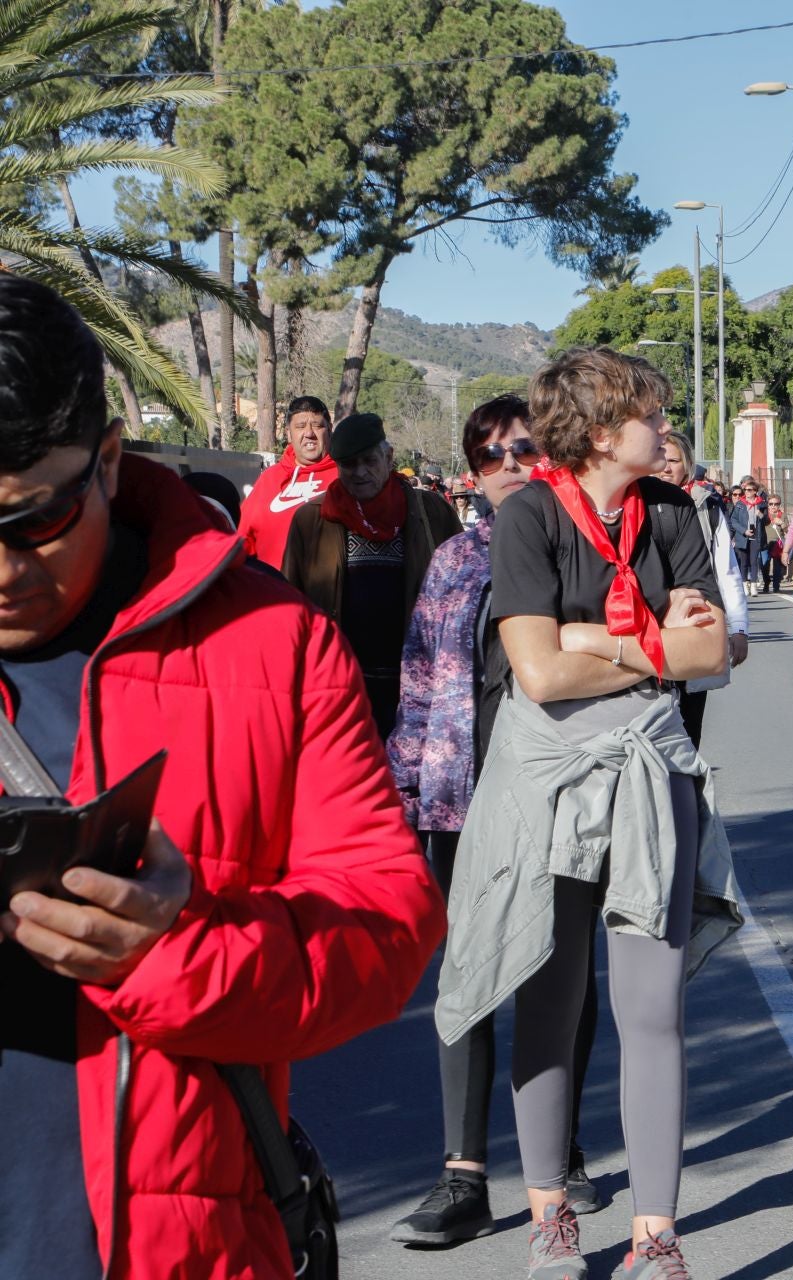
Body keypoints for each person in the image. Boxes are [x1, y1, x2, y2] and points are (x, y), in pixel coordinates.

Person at [0, 272, 442, 1279]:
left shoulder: (272, 643)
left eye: (32, 522)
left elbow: (388, 925)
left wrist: (174, 946)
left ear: (108, 462)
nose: (4, 571)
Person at [435, 348, 740, 1280]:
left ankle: (657, 1237)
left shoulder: (676, 511)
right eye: (652, 411)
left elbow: (716, 653)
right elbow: (537, 673)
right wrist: (651, 643)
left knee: (653, 1010)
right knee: (549, 998)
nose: (666, 424)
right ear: (606, 429)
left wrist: (589, 637)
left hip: (652, 770)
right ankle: (550, 1222)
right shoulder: (526, 515)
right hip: (547, 777)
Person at [387, 396, 604, 1246]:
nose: (508, 465)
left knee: (564, 978)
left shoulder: (581, 545)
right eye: (489, 456)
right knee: (467, 980)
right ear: (472, 475)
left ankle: (565, 1146)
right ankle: (463, 1175)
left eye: (522, 449)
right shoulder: (451, 560)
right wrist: (408, 792)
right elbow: (421, 676)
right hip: (462, 797)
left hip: (563, 794)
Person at [281, 413, 464, 739]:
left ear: (389, 457)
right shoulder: (311, 520)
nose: (360, 472)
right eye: (349, 464)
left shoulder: (433, 513)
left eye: (369, 460)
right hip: (340, 691)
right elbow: (291, 610)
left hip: (418, 694)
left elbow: (461, 597)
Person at [658, 430, 750, 749]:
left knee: (688, 722)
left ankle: (687, 793)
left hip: (696, 625)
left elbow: (726, 571)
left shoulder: (706, 507)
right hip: (651, 627)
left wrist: (738, 628)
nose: (666, 467)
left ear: (687, 465)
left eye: (674, 460)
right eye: (661, 459)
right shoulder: (634, 502)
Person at [236, 394, 337, 567]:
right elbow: (243, 539)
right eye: (300, 426)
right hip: (273, 590)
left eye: (317, 425)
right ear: (289, 434)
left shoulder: (345, 477)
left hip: (325, 591)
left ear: (329, 429)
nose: (309, 433)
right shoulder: (269, 478)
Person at [728, 476, 769, 596]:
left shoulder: (761, 504)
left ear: (755, 491)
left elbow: (767, 521)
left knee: (754, 561)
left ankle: (754, 586)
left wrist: (761, 515)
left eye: (750, 490)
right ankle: (745, 585)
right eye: (745, 490)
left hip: (756, 536)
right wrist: (743, 531)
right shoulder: (740, 504)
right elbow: (733, 520)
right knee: (744, 562)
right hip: (743, 537)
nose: (747, 492)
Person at [763, 491, 788, 592]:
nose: (773, 506)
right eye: (771, 504)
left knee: (777, 567)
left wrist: (781, 523)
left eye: (776, 504)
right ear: (768, 504)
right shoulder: (764, 515)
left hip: (778, 543)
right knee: (764, 564)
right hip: (766, 543)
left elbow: (787, 531)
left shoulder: (782, 515)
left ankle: (776, 586)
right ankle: (766, 582)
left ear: (779, 505)